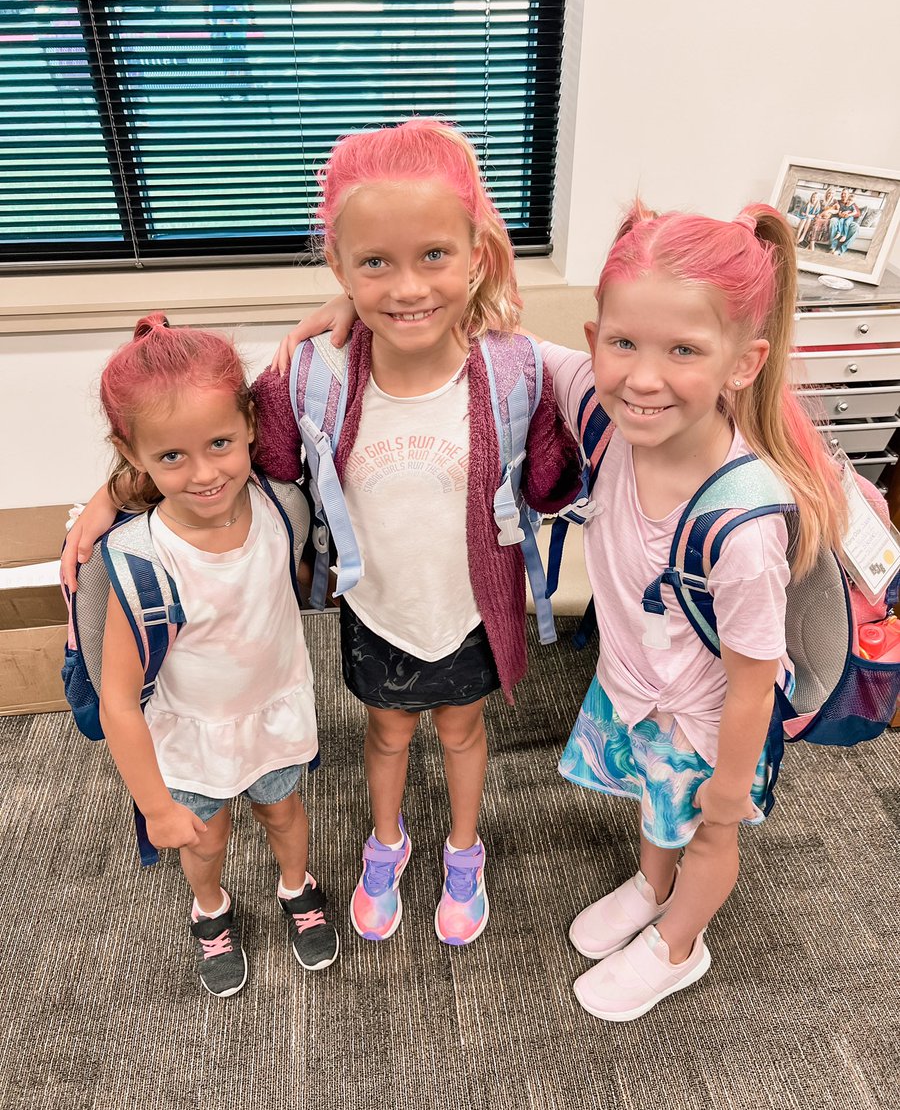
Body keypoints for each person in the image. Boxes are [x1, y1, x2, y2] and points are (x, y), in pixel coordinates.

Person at [255, 118, 581, 947]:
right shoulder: (312, 373)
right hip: (378, 608)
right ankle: (387, 843)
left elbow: (555, 470)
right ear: (338, 266)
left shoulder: (514, 368)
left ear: (476, 251)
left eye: (433, 255)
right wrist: (115, 502)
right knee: (387, 731)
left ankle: (463, 851)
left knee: (466, 729)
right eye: (375, 264)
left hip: (471, 610)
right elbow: (230, 454)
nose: (407, 288)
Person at [540, 202, 848, 1021]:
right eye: (623, 343)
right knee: (652, 803)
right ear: (594, 335)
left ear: (742, 364)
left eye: (683, 351)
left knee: (708, 831)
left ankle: (680, 943)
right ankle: (651, 882)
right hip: (635, 686)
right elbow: (491, 330)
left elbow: (752, 685)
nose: (642, 376)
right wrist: (353, 311)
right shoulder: (603, 413)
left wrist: (729, 786)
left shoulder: (741, 529)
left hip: (710, 724)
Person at [78, 314, 339, 997]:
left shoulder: (282, 504)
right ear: (131, 454)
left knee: (283, 812)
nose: (204, 474)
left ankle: (295, 887)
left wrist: (338, 306)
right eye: (171, 457)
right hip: (189, 735)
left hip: (275, 711)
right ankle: (211, 910)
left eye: (220, 442)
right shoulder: (136, 560)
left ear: (251, 424)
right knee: (204, 839)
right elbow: (117, 700)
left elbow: (319, 372)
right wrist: (154, 805)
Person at [829, 188, 862, 255]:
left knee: (856, 227)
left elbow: (858, 213)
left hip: (848, 219)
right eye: (842, 193)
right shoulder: (838, 202)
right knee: (833, 220)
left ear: (848, 195)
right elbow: (833, 210)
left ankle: (840, 250)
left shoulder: (852, 203)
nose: (843, 195)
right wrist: (839, 213)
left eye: (845, 193)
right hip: (838, 218)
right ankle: (833, 247)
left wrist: (848, 213)